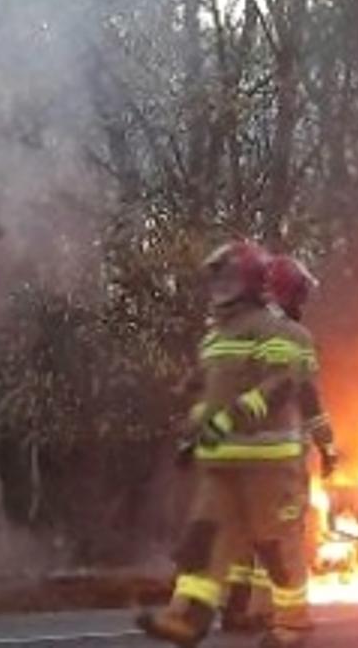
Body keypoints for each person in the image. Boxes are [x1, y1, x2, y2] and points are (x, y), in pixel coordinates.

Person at [138, 241, 319, 647]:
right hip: (220, 460)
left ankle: (292, 624)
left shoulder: (275, 329)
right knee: (203, 539)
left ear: (253, 283)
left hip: (266, 460)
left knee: (274, 545)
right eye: (217, 278)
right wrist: (194, 426)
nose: (222, 286)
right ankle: (187, 617)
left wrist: (233, 417)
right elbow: (210, 391)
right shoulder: (214, 336)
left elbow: (282, 383)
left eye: (231, 278)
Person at [218, 254, 339, 635]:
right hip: (274, 457)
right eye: (301, 294)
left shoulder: (234, 329)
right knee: (281, 535)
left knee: (241, 531)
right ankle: (278, 615)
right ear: (287, 294)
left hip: (229, 451)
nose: (304, 303)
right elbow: (307, 397)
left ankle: (236, 608)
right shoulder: (294, 338)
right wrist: (327, 446)